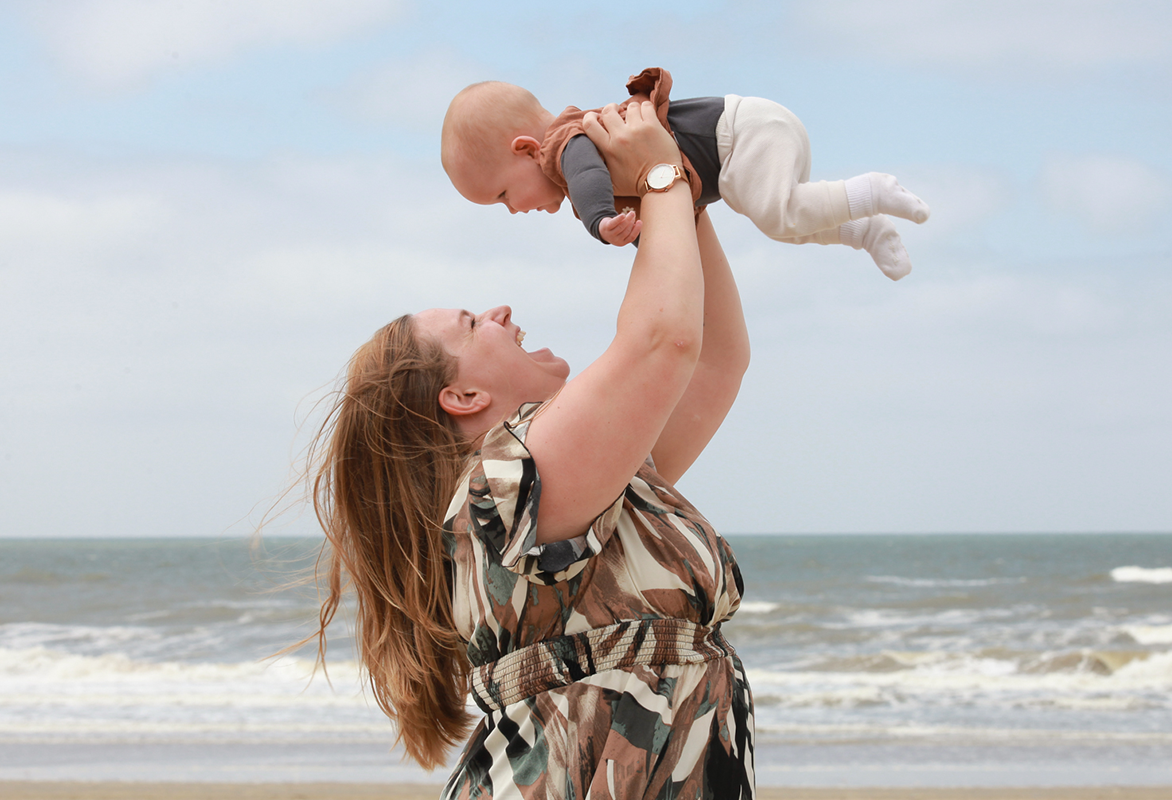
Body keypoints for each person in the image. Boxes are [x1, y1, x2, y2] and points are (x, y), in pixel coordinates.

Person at [309, 102, 753, 799]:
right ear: (460, 398)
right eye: (473, 323)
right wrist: (662, 172)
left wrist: (675, 193)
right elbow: (662, 345)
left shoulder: (574, 482)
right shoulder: (507, 488)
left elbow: (710, 363)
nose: (502, 313)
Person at [442, 67, 930, 280]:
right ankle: (863, 230)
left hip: (739, 135)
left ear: (527, 150)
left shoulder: (566, 143)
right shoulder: (575, 152)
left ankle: (872, 191)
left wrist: (599, 222)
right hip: (746, 138)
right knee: (787, 225)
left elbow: (589, 178)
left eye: (504, 194)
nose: (514, 210)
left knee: (777, 213)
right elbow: (660, 234)